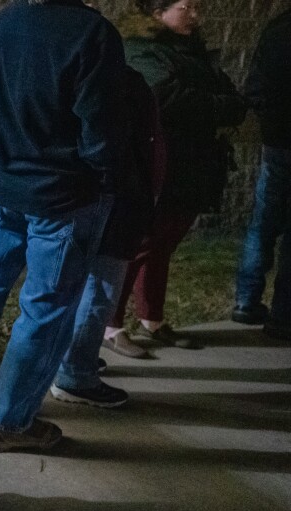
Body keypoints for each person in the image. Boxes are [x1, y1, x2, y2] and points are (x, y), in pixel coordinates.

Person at [0, 0, 124, 452]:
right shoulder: (92, 33)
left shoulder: (0, 23)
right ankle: (9, 422)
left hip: (5, 188)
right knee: (45, 309)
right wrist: (106, 178)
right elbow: (99, 128)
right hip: (63, 197)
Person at [103, 0, 248, 357]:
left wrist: (220, 104)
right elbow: (168, 98)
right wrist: (221, 106)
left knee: (163, 246)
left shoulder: (191, 52)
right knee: (141, 244)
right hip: (162, 165)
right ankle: (111, 325)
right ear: (157, 13)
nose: (196, 14)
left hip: (192, 165)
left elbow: (228, 95)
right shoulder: (140, 50)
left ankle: (153, 319)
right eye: (187, 6)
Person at [50, 66, 165, 407]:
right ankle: (75, 375)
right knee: (101, 286)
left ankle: (73, 359)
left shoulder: (69, 75)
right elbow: (140, 143)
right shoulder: (120, 81)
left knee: (77, 285)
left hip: (83, 195)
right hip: (116, 194)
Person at [231, 6, 291, 341]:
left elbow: (255, 85)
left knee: (263, 219)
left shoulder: (277, 27)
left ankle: (246, 300)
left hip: (276, 139)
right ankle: (284, 314)